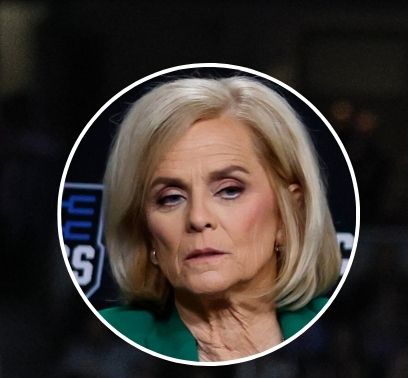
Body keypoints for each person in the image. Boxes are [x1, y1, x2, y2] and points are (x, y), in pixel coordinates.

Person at [99, 75, 341, 362]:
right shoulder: (116, 334)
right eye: (171, 197)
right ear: (146, 231)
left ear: (289, 214)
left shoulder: (334, 332)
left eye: (229, 191)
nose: (198, 218)